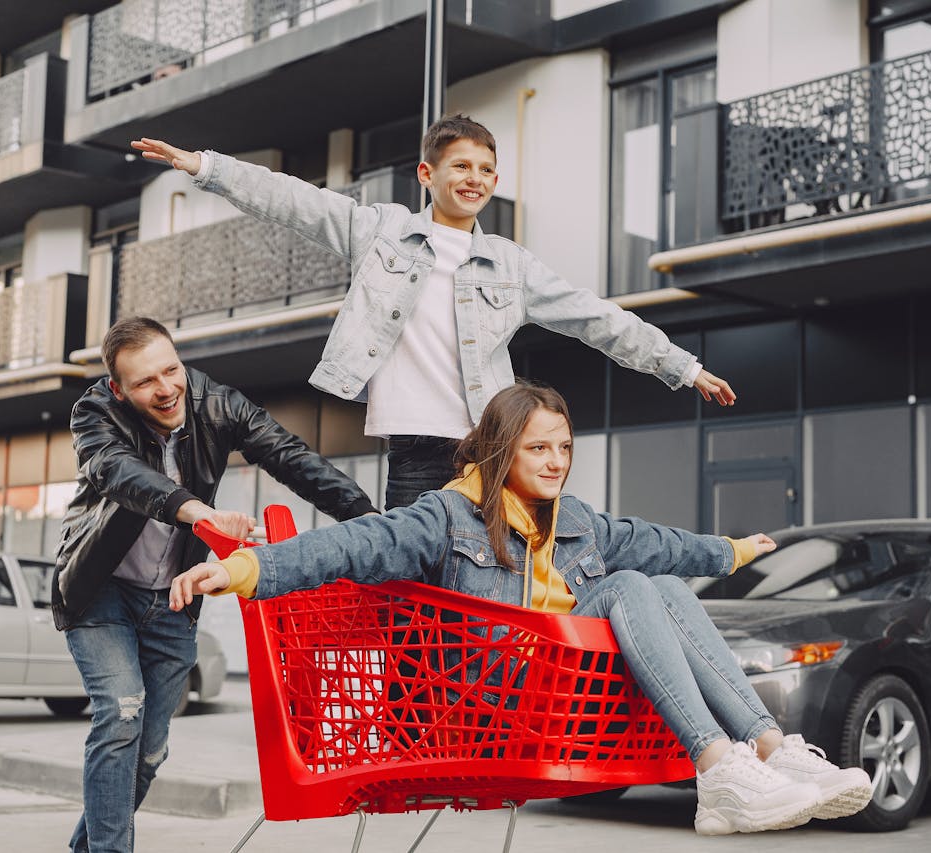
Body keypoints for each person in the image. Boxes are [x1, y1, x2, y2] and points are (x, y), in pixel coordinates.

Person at [169, 381, 872, 836]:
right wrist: (245, 568)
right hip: (487, 698)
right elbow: (354, 544)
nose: (556, 459)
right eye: (539, 446)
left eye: (564, 445)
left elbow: (657, 543)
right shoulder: (446, 517)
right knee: (630, 585)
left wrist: (733, 550)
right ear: (503, 449)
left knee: (657, 580)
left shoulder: (578, 522)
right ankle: (719, 765)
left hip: (566, 695)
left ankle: (770, 750)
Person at [131, 114, 737, 510]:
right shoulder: (383, 233)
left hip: (489, 445)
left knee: (490, 595)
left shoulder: (511, 264)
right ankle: (413, 711)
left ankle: (482, 708)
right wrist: (206, 168)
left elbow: (595, 317)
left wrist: (680, 367)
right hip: (415, 453)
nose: (474, 179)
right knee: (414, 599)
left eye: (485, 170)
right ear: (428, 174)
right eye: (460, 166)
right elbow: (297, 202)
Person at [53, 316, 376, 853]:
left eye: (171, 370)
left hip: (175, 598)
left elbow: (290, 458)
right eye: (145, 383)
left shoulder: (219, 403)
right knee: (121, 713)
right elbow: (118, 472)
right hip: (100, 591)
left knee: (149, 752)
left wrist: (370, 524)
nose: (166, 389)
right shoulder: (94, 413)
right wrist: (198, 511)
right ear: (119, 389)